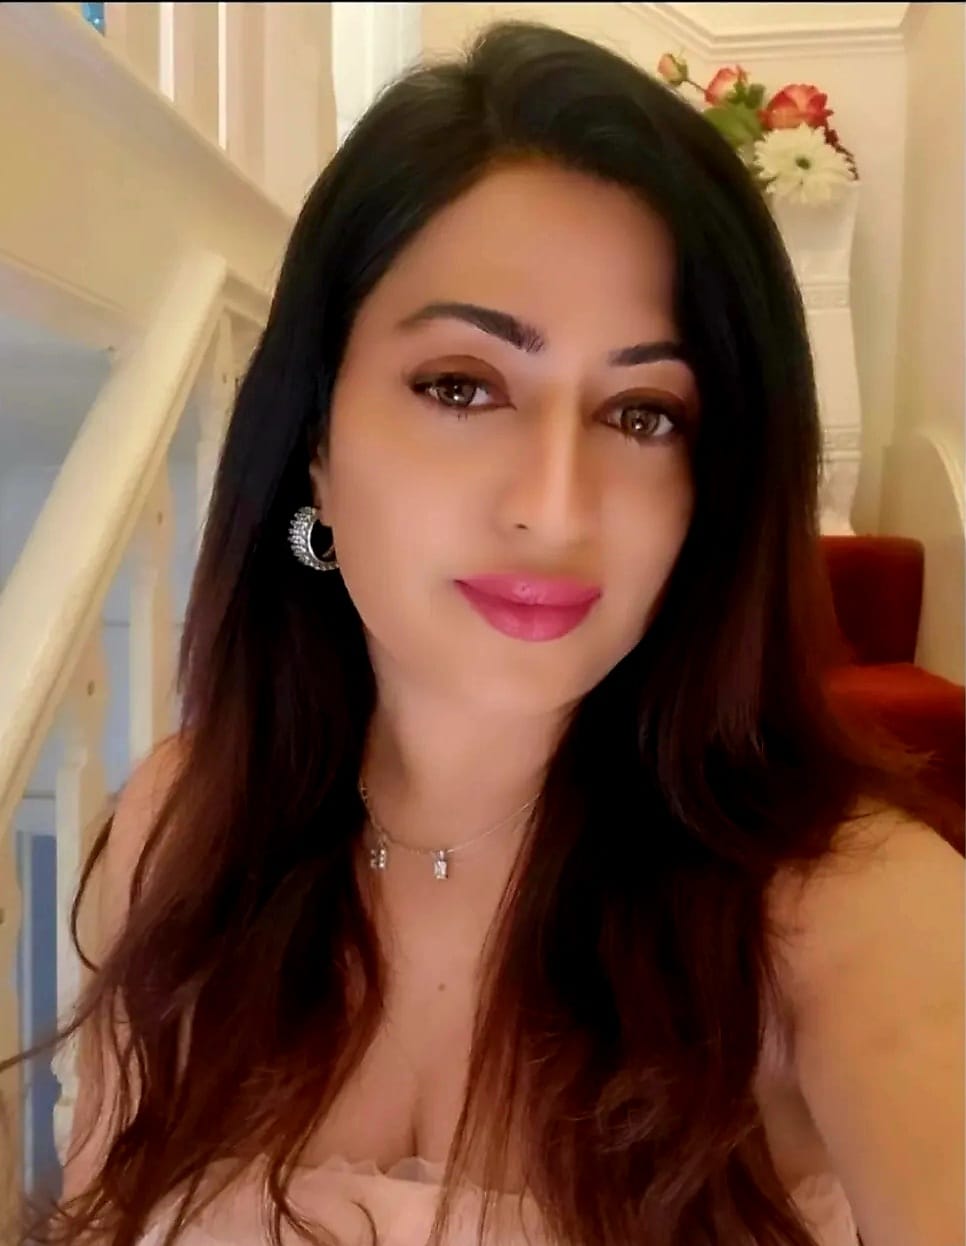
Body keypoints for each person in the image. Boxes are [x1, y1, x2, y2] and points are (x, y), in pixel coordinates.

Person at [8, 19, 963, 1246]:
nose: (555, 508)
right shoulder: (181, 826)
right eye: (461, 385)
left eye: (644, 412)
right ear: (315, 440)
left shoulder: (843, 909)